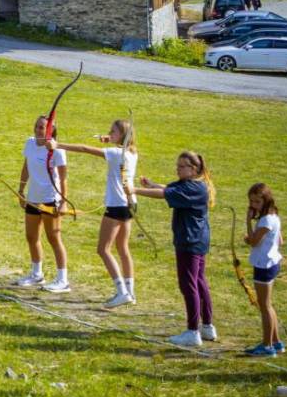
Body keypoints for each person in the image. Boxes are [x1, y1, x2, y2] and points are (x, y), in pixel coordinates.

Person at [47, 119, 137, 307]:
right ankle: (130, 292)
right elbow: (118, 146)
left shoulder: (115, 154)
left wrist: (57, 145)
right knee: (123, 248)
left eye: (113, 131)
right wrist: (109, 139)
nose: (109, 133)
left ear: (122, 135)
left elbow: (84, 149)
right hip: (129, 205)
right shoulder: (132, 153)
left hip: (116, 206)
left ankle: (122, 292)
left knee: (103, 249)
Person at [133, 151, 217, 348]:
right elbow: (169, 189)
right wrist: (152, 184)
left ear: (193, 169)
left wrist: (134, 190)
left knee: (189, 285)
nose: (177, 169)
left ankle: (192, 332)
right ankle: (207, 327)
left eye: (181, 166)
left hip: (189, 241)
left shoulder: (193, 188)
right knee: (199, 281)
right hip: (197, 240)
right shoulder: (192, 185)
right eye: (177, 165)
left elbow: (165, 195)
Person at [15, 115, 70, 292]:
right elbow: (26, 167)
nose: (38, 130)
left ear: (51, 131)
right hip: (33, 198)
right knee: (31, 237)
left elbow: (63, 178)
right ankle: (36, 274)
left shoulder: (57, 150)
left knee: (53, 238)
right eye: (37, 126)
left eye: (43, 128)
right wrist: (21, 190)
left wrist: (63, 202)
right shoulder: (30, 143)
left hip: (50, 199)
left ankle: (63, 280)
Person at [243, 182, 284, 357]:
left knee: (264, 306)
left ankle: (267, 346)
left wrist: (248, 222)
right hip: (272, 262)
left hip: (263, 265)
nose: (253, 205)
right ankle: (276, 342)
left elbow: (253, 242)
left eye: (257, 202)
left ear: (266, 201)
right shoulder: (274, 216)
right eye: (251, 201)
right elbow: (280, 241)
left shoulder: (266, 220)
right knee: (268, 305)